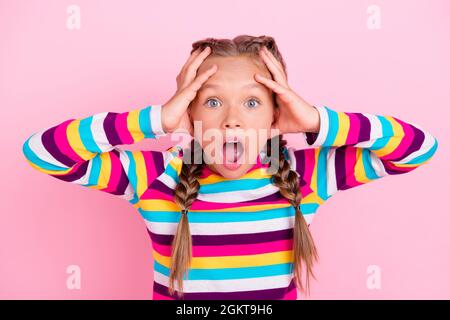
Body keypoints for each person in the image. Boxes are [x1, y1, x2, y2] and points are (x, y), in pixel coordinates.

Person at [22, 35, 439, 300]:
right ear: (189, 112)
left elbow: (418, 148)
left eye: (253, 102)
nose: (231, 120)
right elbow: (43, 153)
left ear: (278, 115)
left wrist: (316, 120)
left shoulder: (304, 174)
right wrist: (156, 120)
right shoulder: (155, 177)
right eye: (213, 101)